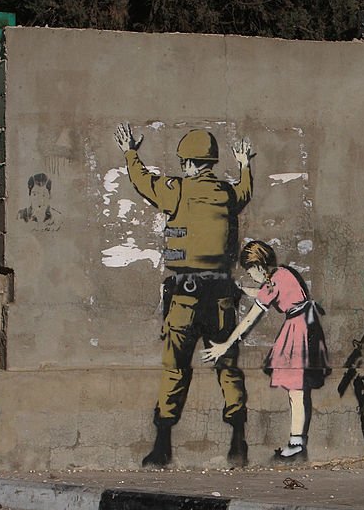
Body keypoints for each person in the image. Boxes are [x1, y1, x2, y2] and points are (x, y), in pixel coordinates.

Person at [114, 123, 254, 468]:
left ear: (190, 163)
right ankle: (238, 440)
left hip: (187, 297)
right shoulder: (226, 193)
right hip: (221, 296)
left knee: (175, 368)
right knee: (228, 367)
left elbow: (143, 181)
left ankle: (162, 444)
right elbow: (245, 192)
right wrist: (245, 165)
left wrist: (130, 152)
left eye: (183, 163)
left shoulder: (176, 191)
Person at [202, 240, 330, 460]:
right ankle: (296, 439)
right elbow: (265, 292)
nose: (250, 275)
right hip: (305, 325)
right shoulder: (282, 274)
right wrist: (241, 289)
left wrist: (226, 344)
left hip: (298, 329)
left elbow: (251, 317)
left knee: (295, 390)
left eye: (250, 271)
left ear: (259, 266)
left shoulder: (273, 283)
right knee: (296, 389)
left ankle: (296, 441)